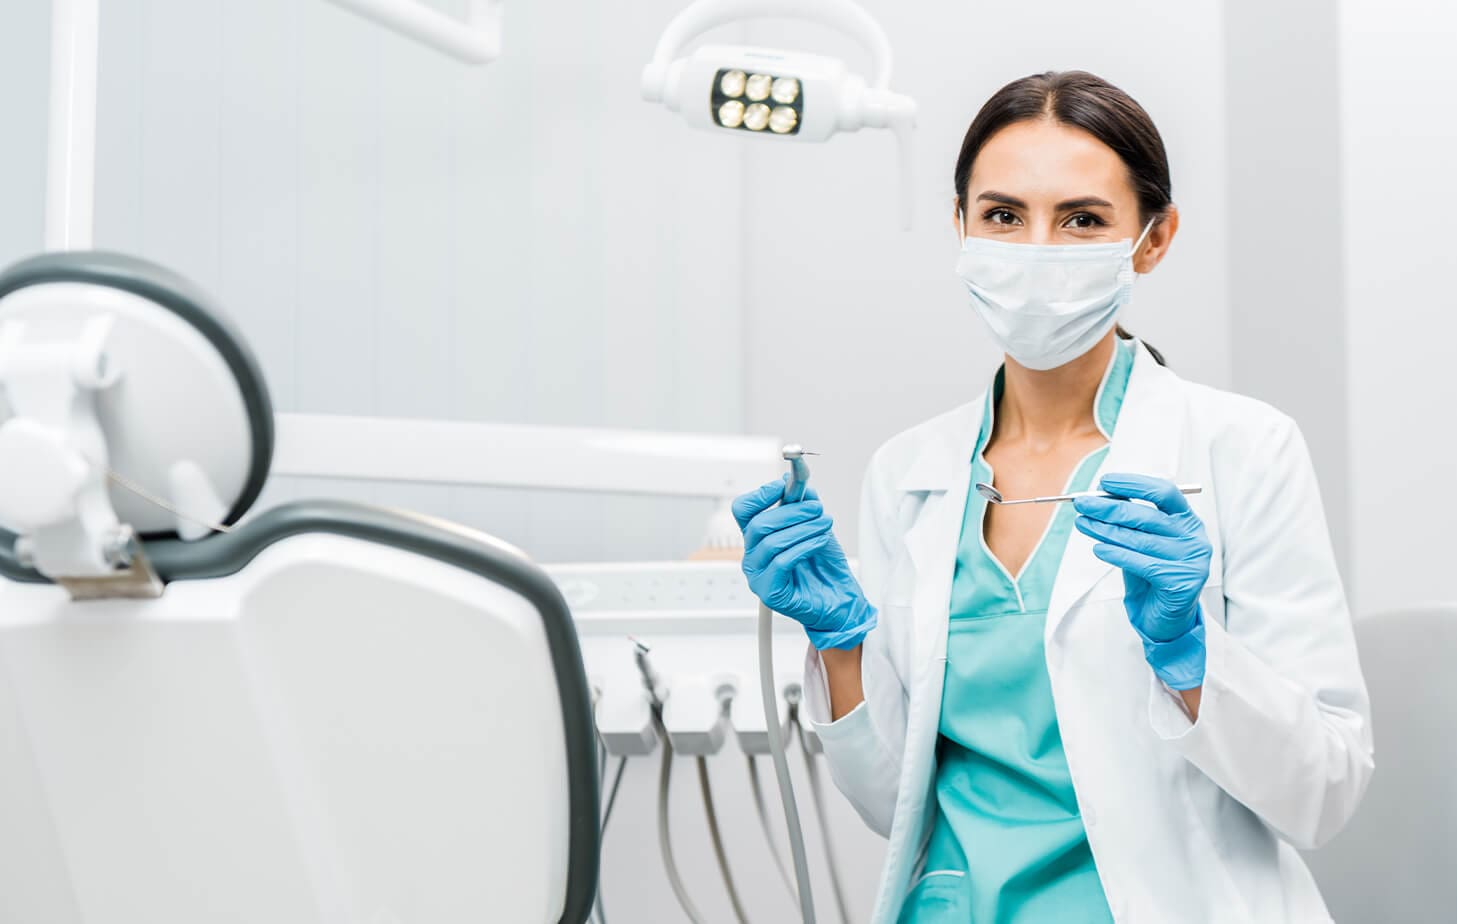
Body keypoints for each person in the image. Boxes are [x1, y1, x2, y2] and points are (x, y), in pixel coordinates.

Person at [733, 71, 1372, 924]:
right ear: (959, 226)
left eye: (1080, 220)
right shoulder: (907, 473)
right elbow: (898, 808)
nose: (1035, 249)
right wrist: (839, 646)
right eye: (1002, 216)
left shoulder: (1242, 450)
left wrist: (1191, 656)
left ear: (1151, 239)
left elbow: (1322, 791)